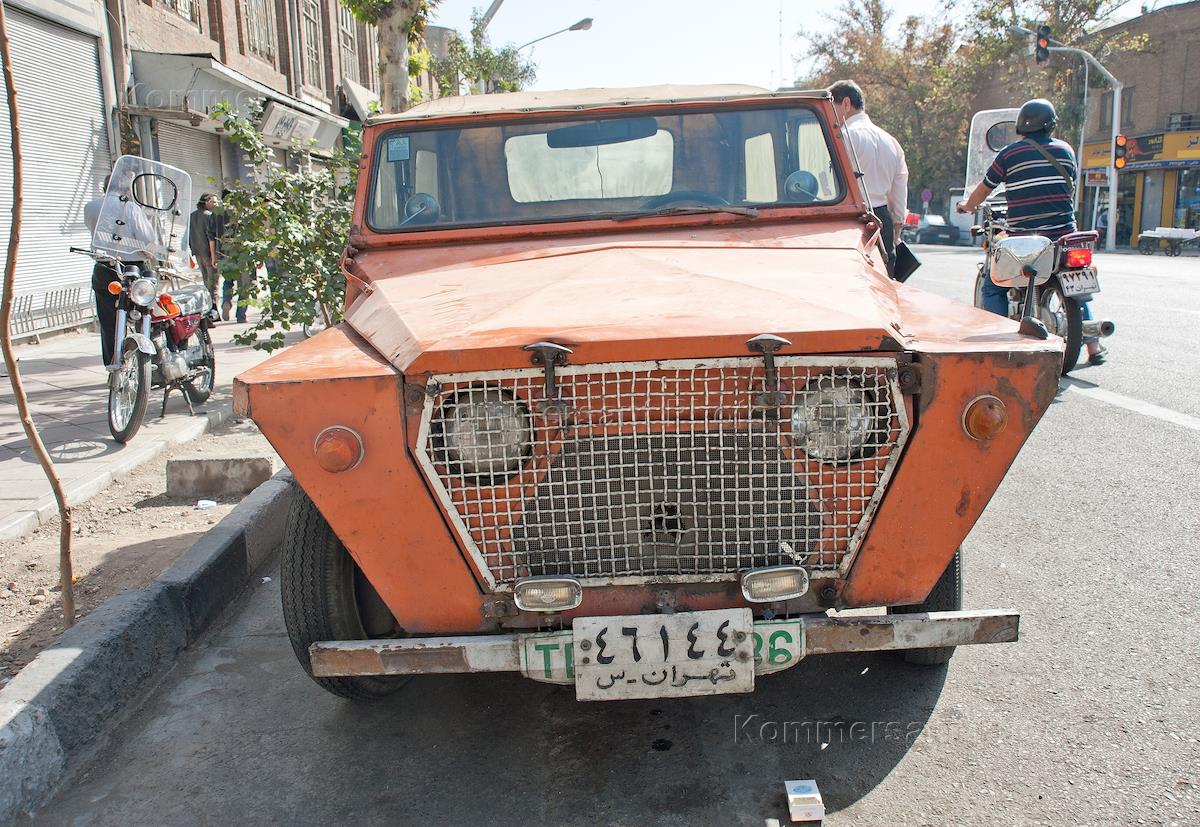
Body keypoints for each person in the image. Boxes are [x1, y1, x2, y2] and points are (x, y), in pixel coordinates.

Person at [957, 98, 1106, 365]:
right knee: (1075, 282)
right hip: (1064, 237)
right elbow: (1069, 186)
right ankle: (1094, 347)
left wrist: (968, 205)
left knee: (993, 286)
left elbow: (984, 189)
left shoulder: (1009, 155)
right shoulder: (1066, 151)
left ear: (1020, 126)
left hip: (1024, 241)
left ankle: (998, 345)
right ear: (1051, 125)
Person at [828, 80, 909, 276]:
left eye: (832, 107)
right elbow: (899, 189)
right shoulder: (891, 141)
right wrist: (897, 229)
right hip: (883, 219)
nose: (830, 114)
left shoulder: (843, 137)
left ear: (846, 104)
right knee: (884, 281)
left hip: (850, 219)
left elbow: (829, 184)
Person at [83, 177, 155, 367]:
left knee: (109, 321)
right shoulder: (131, 208)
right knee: (144, 315)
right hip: (133, 268)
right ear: (126, 189)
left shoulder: (90, 207)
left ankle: (113, 363)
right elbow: (147, 240)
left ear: (104, 187)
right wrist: (150, 254)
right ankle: (146, 362)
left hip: (104, 268)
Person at [188, 193, 220, 318]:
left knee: (206, 281)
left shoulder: (192, 216)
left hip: (198, 252)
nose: (215, 204)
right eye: (213, 202)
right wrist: (214, 255)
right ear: (206, 202)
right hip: (209, 253)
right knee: (213, 283)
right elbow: (212, 237)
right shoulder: (210, 216)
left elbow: (188, 235)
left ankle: (209, 309)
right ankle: (212, 311)